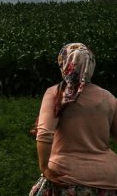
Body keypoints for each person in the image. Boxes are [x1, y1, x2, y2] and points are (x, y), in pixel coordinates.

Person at [30, 43, 117, 196]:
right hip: (109, 179)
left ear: (64, 63)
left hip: (65, 178)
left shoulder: (55, 93)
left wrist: (44, 168)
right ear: (91, 65)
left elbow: (44, 134)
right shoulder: (108, 97)